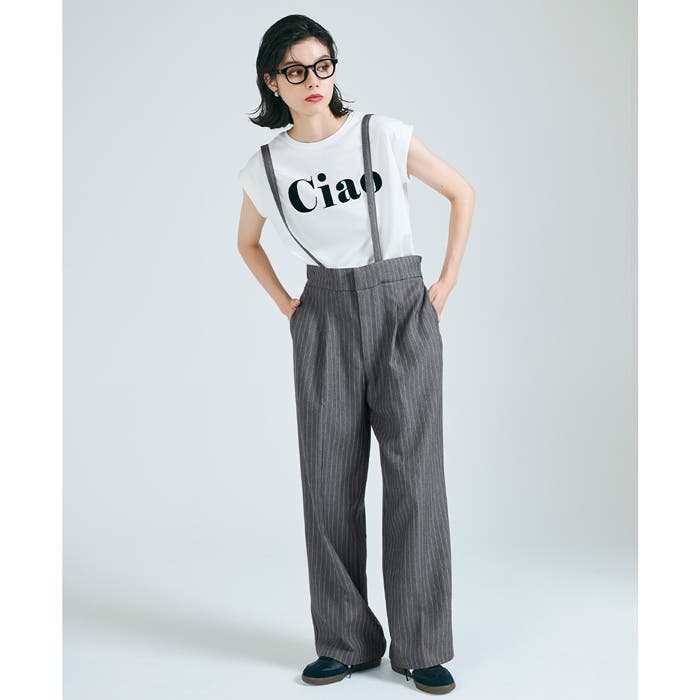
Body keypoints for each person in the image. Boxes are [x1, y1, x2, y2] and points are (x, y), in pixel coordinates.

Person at [236, 14, 475, 695]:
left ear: (334, 69)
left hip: (402, 308)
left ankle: (421, 645)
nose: (313, 81)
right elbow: (246, 242)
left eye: (323, 65)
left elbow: (461, 191)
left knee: (415, 481)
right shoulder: (267, 166)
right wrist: (288, 305)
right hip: (325, 317)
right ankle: (345, 641)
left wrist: (445, 283)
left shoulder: (381, 134)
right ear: (272, 81)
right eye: (295, 70)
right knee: (328, 483)